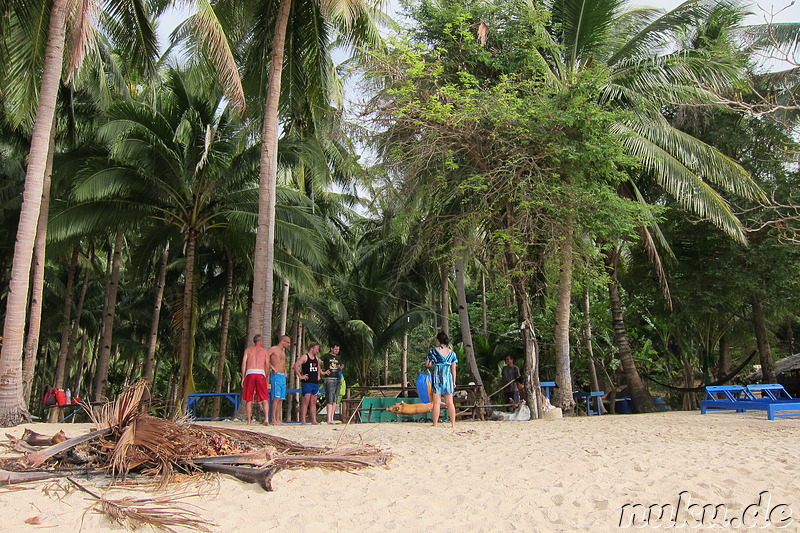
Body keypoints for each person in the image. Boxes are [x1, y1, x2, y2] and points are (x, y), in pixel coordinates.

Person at [426, 331, 458, 428]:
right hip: (448, 378)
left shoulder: (433, 351)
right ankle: (453, 423)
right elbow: (454, 368)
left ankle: (435, 423)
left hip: (437, 377)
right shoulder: (452, 353)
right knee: (450, 402)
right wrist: (454, 381)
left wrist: (431, 361)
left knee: (436, 402)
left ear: (438, 340)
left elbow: (428, 364)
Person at [241, 334, 270, 425]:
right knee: (264, 397)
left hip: (250, 372)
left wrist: (243, 377)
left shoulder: (248, 350)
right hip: (260, 373)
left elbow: (244, 363)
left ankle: (249, 420)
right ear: (260, 341)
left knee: (249, 398)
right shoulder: (265, 351)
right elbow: (267, 365)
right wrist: (266, 377)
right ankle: (266, 419)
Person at [293, 342, 321, 425]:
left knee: (313, 401)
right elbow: (295, 366)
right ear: (312, 348)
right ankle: (303, 420)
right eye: (316, 349)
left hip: (315, 382)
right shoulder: (305, 357)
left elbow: (319, 367)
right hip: (307, 382)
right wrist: (300, 376)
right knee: (306, 400)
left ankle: (313, 420)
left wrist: (319, 375)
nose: (317, 351)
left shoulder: (316, 358)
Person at [268, 335, 291, 424]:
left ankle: (277, 418)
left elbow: (283, 363)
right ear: (283, 341)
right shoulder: (273, 349)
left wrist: (285, 371)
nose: (289, 344)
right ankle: (273, 418)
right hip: (276, 375)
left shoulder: (283, 352)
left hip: (282, 376)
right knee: (276, 397)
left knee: (281, 398)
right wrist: (272, 367)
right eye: (288, 342)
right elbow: (265, 358)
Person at [321, 344, 344, 424]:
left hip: (337, 378)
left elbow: (339, 366)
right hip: (329, 379)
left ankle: (332, 417)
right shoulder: (326, 356)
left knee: (335, 399)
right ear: (331, 348)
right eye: (335, 349)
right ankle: (328, 418)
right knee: (330, 399)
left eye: (338, 349)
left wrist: (340, 367)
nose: (337, 351)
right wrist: (322, 372)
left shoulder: (338, 358)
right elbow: (317, 361)